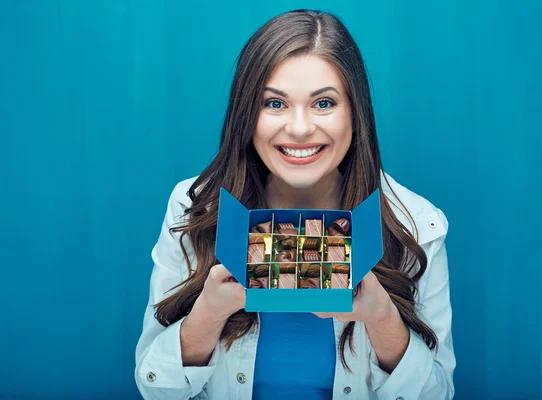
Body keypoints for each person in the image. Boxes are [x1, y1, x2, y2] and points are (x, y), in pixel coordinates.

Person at [134, 9, 455, 400]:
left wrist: (381, 317)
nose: (300, 128)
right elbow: (156, 390)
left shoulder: (418, 224)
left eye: (324, 104)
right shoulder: (196, 208)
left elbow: (437, 395)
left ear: (356, 114)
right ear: (246, 116)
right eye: (274, 103)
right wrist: (208, 313)